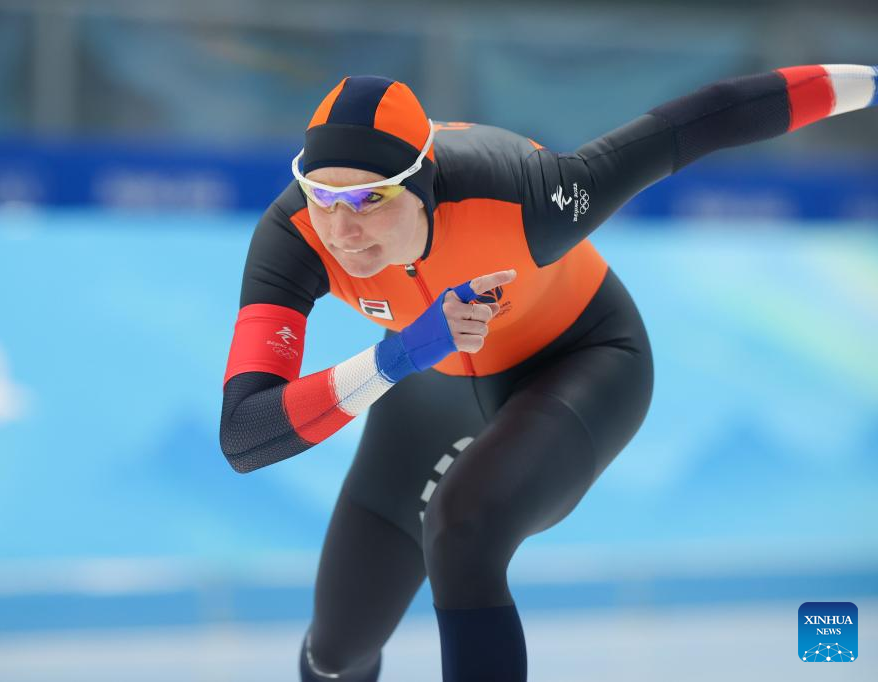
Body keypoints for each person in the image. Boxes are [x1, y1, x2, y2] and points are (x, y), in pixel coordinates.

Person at [219, 65, 877, 681]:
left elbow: (699, 121)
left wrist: (869, 82)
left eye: (368, 199)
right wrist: (402, 354)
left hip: (578, 364)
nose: (343, 228)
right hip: (427, 380)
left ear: (421, 186)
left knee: (462, 530)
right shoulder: (294, 234)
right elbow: (246, 435)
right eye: (324, 195)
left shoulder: (524, 194)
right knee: (337, 649)